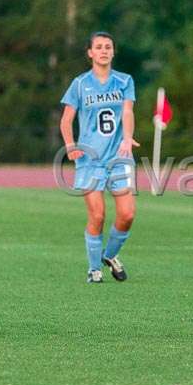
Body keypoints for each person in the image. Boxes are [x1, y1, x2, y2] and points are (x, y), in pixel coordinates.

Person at [60, 31, 138, 284]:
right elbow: (66, 120)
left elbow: (127, 111)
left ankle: (110, 255)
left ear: (113, 52)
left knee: (127, 215)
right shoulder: (80, 84)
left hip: (119, 157)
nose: (104, 50)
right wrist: (70, 145)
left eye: (108, 46)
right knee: (98, 215)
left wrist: (127, 137)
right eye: (99, 47)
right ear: (90, 53)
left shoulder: (124, 81)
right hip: (90, 159)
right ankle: (94, 269)